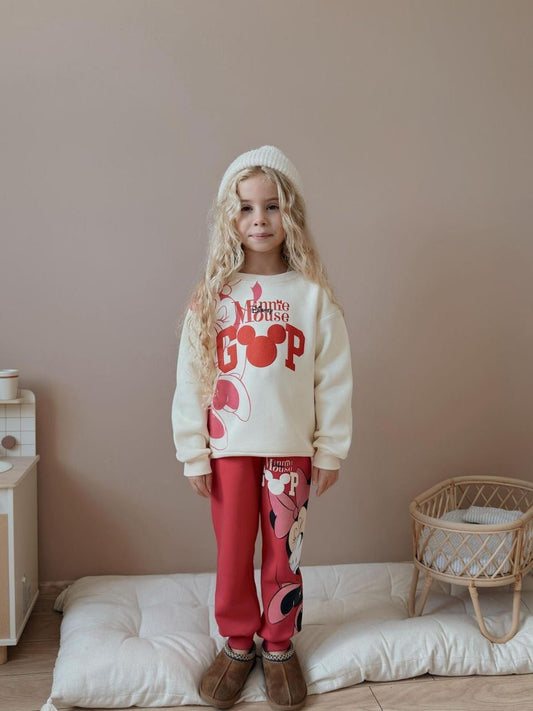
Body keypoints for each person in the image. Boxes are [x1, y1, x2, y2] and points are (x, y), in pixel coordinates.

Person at [172, 145, 352, 711]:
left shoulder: (312, 296)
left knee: (283, 554)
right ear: (230, 217)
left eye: (271, 207)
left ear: (289, 213)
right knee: (232, 552)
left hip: (290, 451)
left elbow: (333, 378)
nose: (259, 220)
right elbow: (192, 378)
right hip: (228, 449)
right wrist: (193, 452)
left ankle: (278, 645)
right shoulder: (213, 297)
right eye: (246, 208)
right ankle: (236, 643)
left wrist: (329, 449)